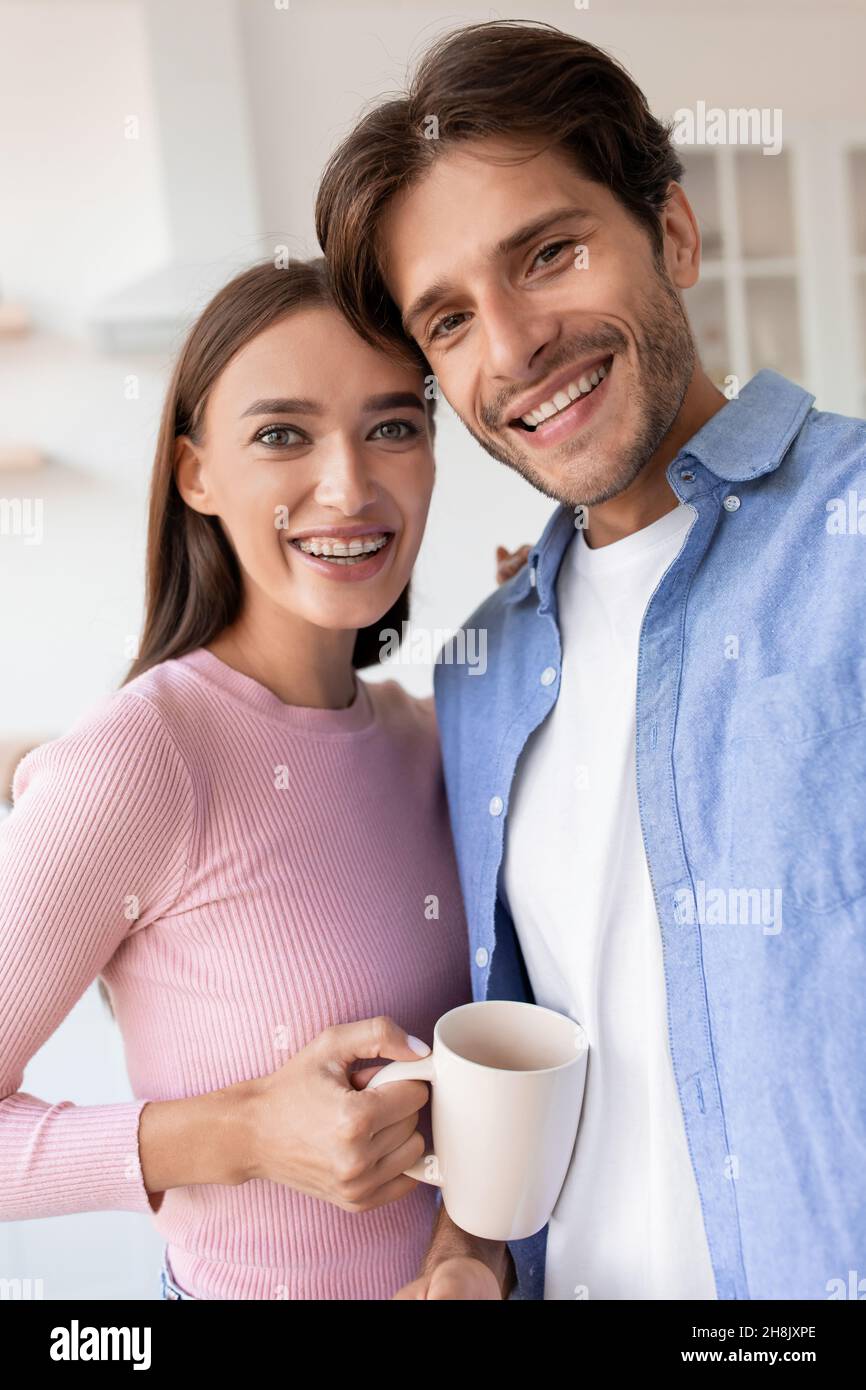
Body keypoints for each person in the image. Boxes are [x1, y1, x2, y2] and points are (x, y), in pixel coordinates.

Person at [316, 19, 866, 1300]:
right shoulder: (484, 670)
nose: (511, 347)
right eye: (448, 320)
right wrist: (464, 1250)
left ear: (669, 233)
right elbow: (545, 1033)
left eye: (548, 253)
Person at [0, 257, 501, 1300]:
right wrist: (247, 1133)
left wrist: (466, 1251)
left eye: (392, 426)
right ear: (196, 474)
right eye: (281, 433)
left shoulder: (434, 737)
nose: (348, 485)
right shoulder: (140, 758)